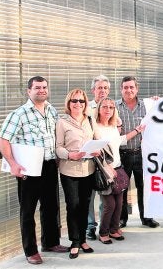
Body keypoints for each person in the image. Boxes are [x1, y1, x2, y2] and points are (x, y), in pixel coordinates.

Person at [0, 76, 69, 265]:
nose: (42, 90)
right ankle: (31, 251)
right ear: (29, 91)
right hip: (28, 169)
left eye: (44, 87)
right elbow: (3, 140)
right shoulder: (19, 114)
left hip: (49, 166)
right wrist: (13, 164)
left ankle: (51, 242)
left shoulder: (52, 111)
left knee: (51, 207)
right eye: (37, 87)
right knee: (28, 211)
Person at [94, 97, 145, 244]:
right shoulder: (95, 127)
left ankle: (114, 229)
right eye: (104, 107)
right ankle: (103, 232)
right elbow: (97, 149)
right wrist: (108, 167)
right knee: (109, 204)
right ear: (99, 109)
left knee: (119, 202)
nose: (108, 110)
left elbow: (121, 140)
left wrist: (137, 130)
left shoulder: (112, 127)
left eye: (111, 107)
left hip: (118, 167)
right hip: (104, 170)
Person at [55, 89, 98, 259]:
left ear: (85, 104)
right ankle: (74, 241)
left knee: (85, 206)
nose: (78, 104)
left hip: (88, 170)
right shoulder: (62, 122)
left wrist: (97, 150)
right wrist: (69, 154)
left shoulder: (90, 120)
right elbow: (58, 147)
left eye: (81, 101)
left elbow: (97, 140)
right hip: (69, 170)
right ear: (69, 103)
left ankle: (82, 239)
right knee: (73, 206)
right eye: (74, 101)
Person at [116, 76, 159, 228]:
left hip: (142, 153)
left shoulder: (147, 105)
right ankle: (122, 219)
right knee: (122, 187)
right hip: (123, 154)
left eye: (131, 87)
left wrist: (157, 102)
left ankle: (147, 218)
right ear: (121, 89)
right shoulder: (114, 107)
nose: (129, 90)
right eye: (125, 87)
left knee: (144, 187)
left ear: (137, 88)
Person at [86, 75, 122, 241]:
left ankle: (104, 227)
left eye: (106, 88)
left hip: (108, 163)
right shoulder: (85, 108)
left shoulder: (111, 108)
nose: (103, 91)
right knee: (89, 197)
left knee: (105, 200)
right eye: (100, 88)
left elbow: (116, 133)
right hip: (90, 161)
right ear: (93, 90)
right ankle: (90, 227)